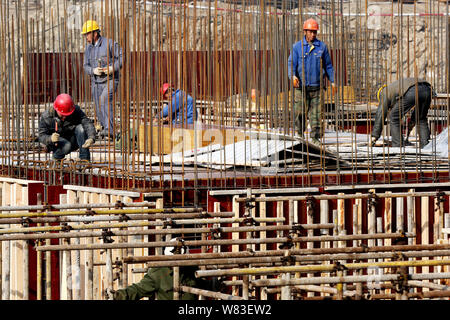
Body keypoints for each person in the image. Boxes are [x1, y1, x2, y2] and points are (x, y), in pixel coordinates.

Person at [112, 239, 221, 300]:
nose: (180, 266)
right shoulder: (158, 272)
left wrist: (215, 284)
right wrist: (118, 296)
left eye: (184, 262)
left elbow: (200, 285)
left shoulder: (190, 268)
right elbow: (138, 290)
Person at [287, 18, 336, 144]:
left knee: (316, 115)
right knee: (300, 112)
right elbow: (291, 63)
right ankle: (299, 134)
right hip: (301, 87)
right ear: (305, 31)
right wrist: (292, 76)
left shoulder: (322, 47)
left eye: (315, 32)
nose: (313, 34)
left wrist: (333, 81)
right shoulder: (297, 47)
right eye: (310, 32)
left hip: (317, 88)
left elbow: (328, 66)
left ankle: (315, 138)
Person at [82, 20, 123, 139]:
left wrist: (112, 68)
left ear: (95, 33)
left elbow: (121, 58)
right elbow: (85, 66)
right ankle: (105, 128)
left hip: (110, 80)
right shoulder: (88, 48)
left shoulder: (109, 44)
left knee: (104, 99)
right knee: (98, 105)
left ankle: (110, 130)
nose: (86, 37)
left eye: (87, 34)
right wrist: (93, 70)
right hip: (96, 82)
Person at [371, 78, 434, 148]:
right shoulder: (395, 88)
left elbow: (380, 114)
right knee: (421, 119)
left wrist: (374, 136)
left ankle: (397, 146)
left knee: (394, 117)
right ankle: (426, 147)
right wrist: (413, 121)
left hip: (413, 90)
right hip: (428, 89)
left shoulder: (384, 93)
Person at [38, 94, 96, 161]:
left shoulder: (75, 111)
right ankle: (56, 159)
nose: (64, 117)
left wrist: (91, 138)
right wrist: (50, 138)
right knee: (66, 145)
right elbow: (41, 136)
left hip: (72, 140)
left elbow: (87, 123)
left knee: (81, 128)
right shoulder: (47, 116)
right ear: (56, 109)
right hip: (57, 144)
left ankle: (84, 159)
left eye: (67, 114)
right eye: (62, 115)